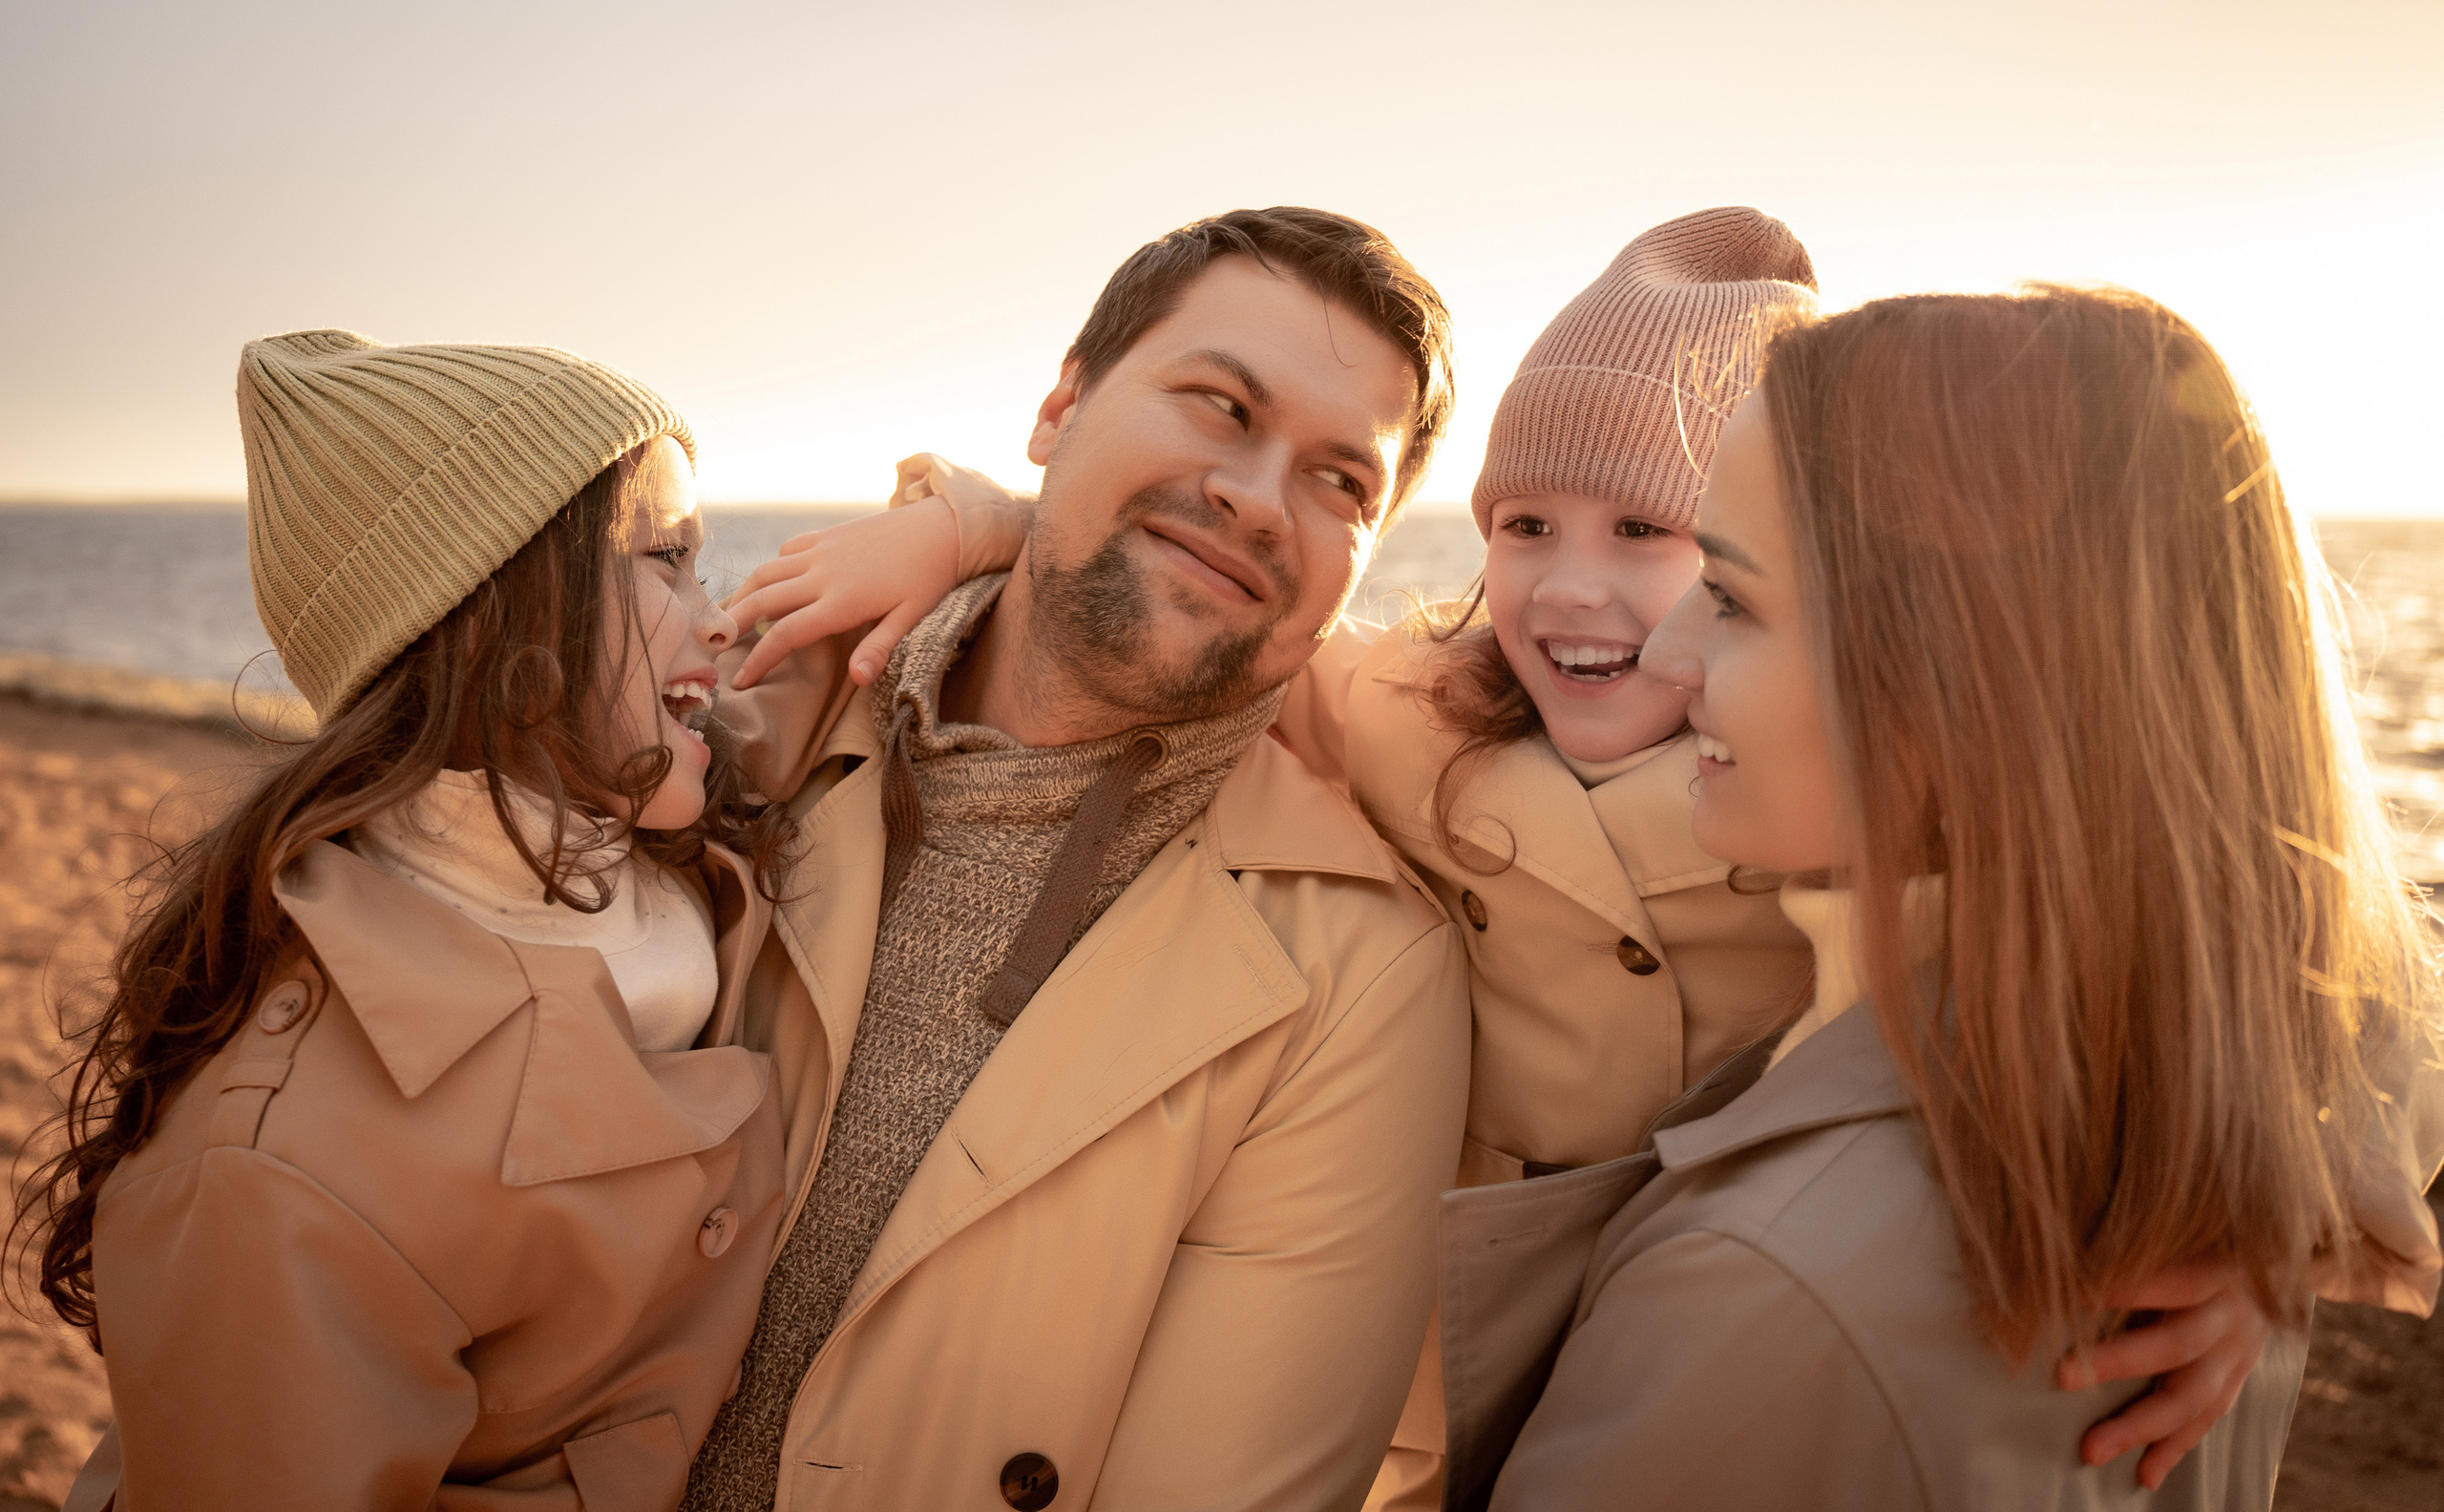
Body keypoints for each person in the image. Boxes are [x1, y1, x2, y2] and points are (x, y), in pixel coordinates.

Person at [1436, 286, 2444, 1510]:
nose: (1662, 653)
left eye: (1734, 596)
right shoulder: (2227, 1082)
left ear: (1963, 674)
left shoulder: (1760, 1294)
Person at [678, 206, 1475, 1510]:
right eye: (1220, 405)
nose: (1257, 498)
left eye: (1342, 480)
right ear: (1061, 404)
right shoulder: (752, 711)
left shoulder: (1357, 977)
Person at [19, 332, 886, 1507]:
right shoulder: (277, 1173)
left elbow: (898, 645)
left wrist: (971, 525)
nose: (719, 618)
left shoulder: (656, 812)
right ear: (498, 620)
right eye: (669, 559)